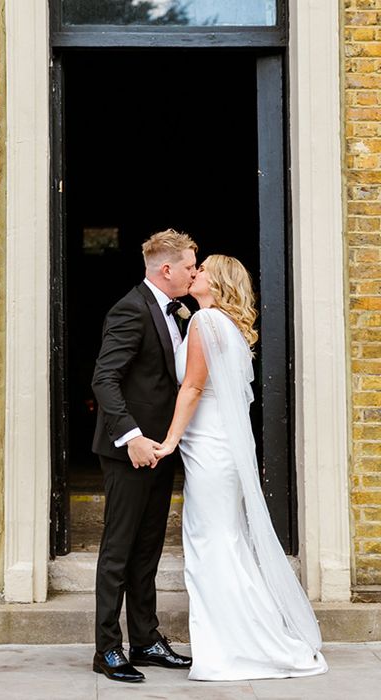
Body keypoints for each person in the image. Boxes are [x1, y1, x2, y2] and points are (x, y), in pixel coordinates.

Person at [154, 255, 328, 681]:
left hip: (209, 448)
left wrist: (171, 440)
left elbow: (193, 386)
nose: (195, 272)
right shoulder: (226, 327)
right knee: (225, 542)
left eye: (203, 269)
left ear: (219, 283)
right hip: (221, 448)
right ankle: (241, 639)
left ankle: (233, 648)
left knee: (211, 545)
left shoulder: (206, 323)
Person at [90, 229, 196, 683]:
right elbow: (104, 378)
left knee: (148, 549)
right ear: (166, 269)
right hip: (130, 452)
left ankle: (147, 640)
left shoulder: (175, 310)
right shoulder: (130, 308)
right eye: (191, 265)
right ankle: (107, 650)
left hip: (161, 449)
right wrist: (132, 437)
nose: (195, 272)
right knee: (118, 550)